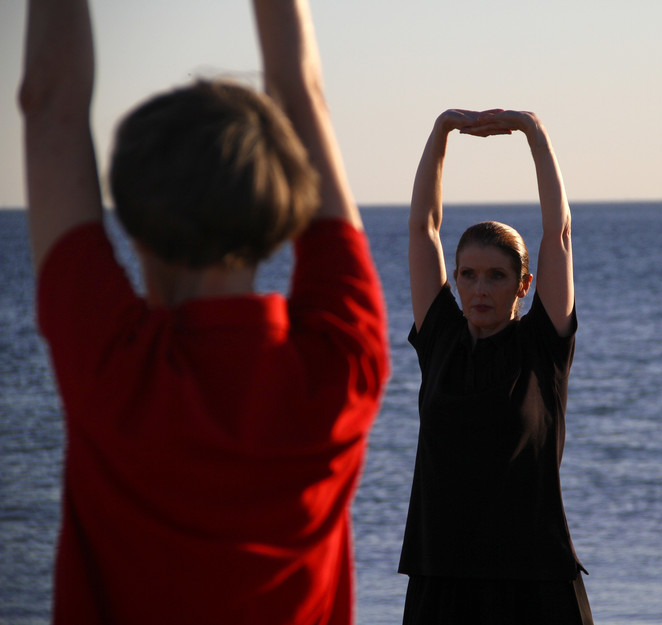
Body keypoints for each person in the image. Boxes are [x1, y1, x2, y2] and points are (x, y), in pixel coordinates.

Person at [19, 0, 388, 623]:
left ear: (132, 225)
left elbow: (51, 101)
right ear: (282, 217)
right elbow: (303, 93)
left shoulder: (116, 373)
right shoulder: (342, 366)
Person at [400, 109, 593, 624]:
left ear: (523, 285)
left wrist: (534, 132)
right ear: (456, 279)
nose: (480, 288)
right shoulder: (440, 338)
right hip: (441, 573)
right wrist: (440, 131)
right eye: (468, 274)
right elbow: (423, 229)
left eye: (496, 276)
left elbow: (559, 232)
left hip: (534, 578)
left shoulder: (542, 347)